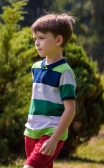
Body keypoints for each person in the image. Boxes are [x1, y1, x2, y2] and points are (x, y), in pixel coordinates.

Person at [24, 13, 77, 168]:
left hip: (51, 132)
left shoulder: (65, 72)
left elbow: (70, 109)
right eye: (35, 39)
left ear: (58, 40)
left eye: (41, 38)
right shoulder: (35, 68)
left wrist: (54, 139)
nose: (37, 43)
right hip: (31, 132)